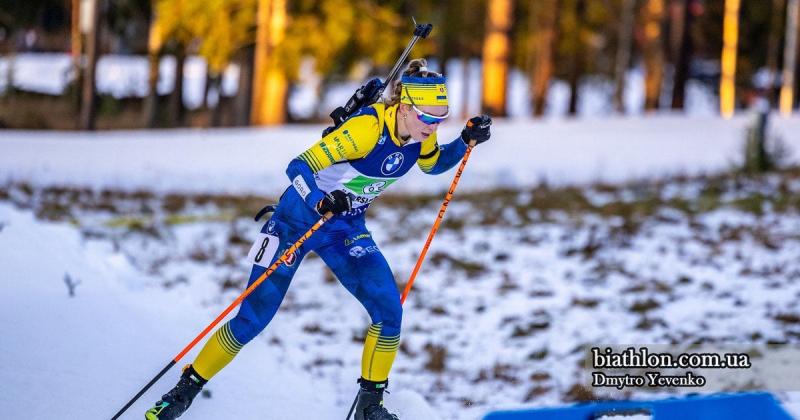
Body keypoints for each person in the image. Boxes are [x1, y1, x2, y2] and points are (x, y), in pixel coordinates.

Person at [145, 58, 492, 420]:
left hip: (344, 227)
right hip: (296, 221)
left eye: (440, 118)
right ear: (404, 107)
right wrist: (319, 200)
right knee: (252, 318)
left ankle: (370, 408)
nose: (433, 125)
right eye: (427, 117)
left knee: (389, 310)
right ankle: (182, 393)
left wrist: (465, 140)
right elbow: (297, 167)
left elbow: (431, 163)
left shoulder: (422, 129)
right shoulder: (365, 131)